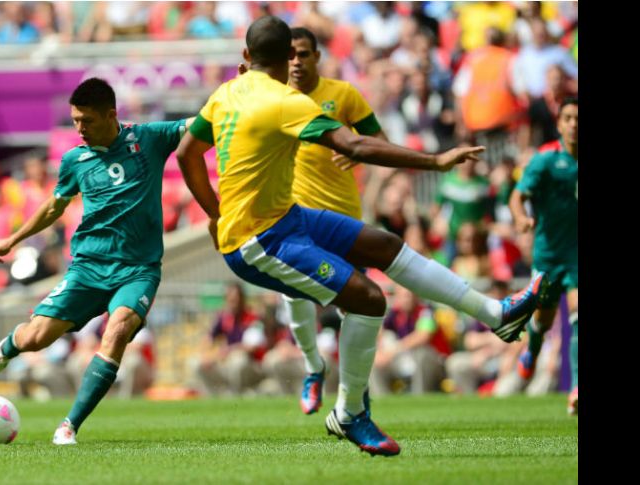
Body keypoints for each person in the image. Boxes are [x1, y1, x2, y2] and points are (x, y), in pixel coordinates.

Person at [176, 16, 546, 457]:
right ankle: (349, 413)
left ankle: (494, 313)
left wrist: (215, 213)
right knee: (369, 300)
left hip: (286, 218)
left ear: (245, 57)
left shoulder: (225, 93)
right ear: (288, 56)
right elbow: (355, 146)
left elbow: (186, 153)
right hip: (261, 242)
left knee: (386, 246)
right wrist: (435, 160)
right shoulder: (284, 101)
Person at [0, 77, 191, 445]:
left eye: (87, 121)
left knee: (120, 327)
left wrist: (240, 91)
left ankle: (69, 425)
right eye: (75, 120)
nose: (79, 129)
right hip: (88, 267)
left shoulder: (150, 138)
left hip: (137, 269)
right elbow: (54, 206)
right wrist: (14, 238)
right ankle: (10, 345)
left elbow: (200, 123)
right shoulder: (75, 160)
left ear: (111, 115)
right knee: (37, 337)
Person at [281, 26, 391, 416]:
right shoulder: (274, 98)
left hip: (343, 221)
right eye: (290, 54)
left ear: (317, 58)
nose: (296, 61)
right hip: (293, 221)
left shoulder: (342, 95)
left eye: (304, 54)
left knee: (355, 309)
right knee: (293, 297)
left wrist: (359, 153)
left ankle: (354, 395)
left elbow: (379, 140)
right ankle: (313, 368)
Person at [509, 97, 578, 416]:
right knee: (544, 320)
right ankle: (532, 351)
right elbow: (517, 195)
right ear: (560, 123)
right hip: (549, 253)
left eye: (578, 118)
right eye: (568, 118)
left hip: (575, 254)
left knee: (577, 316)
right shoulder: (545, 159)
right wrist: (521, 218)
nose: (574, 124)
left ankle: (576, 388)